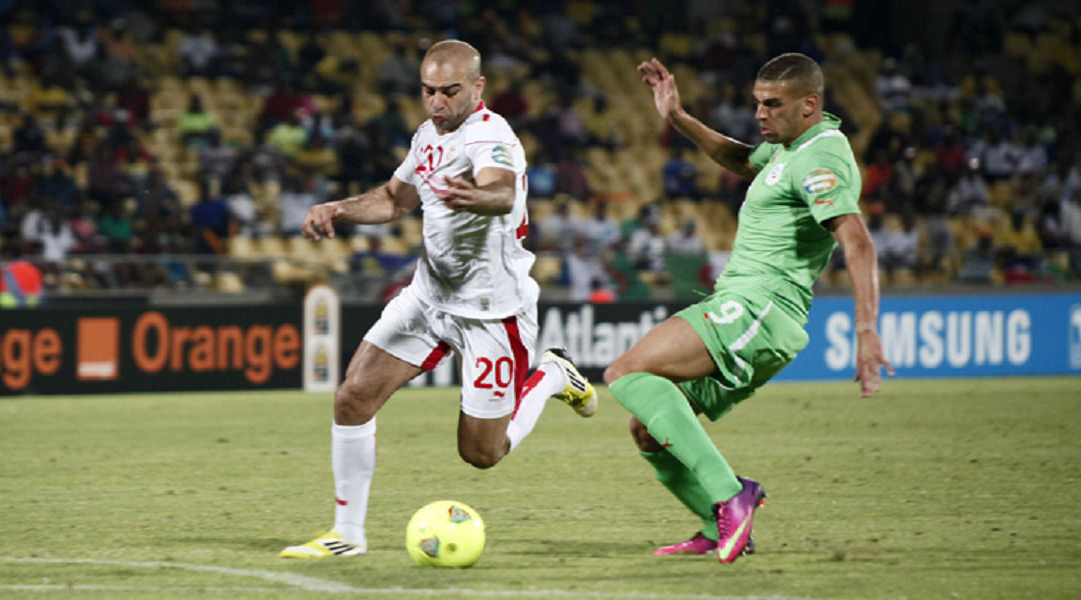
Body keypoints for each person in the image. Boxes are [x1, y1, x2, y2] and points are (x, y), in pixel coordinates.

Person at [282, 40, 597, 559]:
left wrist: (477, 195)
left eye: (449, 92)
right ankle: (348, 534)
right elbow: (392, 198)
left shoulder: (492, 136)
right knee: (352, 397)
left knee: (481, 453)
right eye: (428, 91)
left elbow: (501, 189)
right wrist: (337, 208)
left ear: (477, 87)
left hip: (492, 313)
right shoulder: (427, 135)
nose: (436, 103)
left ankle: (552, 377)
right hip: (429, 299)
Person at [605, 54, 894, 564]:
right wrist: (677, 117)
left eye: (773, 104)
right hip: (743, 307)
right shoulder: (791, 148)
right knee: (648, 430)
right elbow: (743, 159)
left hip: (759, 308)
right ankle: (715, 527)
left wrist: (866, 329)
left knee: (626, 372)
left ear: (810, 104)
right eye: (757, 103)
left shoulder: (818, 160)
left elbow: (858, 241)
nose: (761, 114)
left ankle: (730, 495)